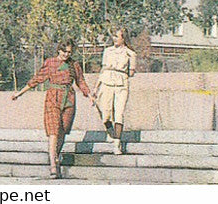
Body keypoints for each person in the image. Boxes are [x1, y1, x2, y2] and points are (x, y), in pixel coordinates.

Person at [12, 39, 95, 178]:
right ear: (59, 50)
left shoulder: (74, 65)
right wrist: (20, 93)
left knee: (62, 131)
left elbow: (80, 81)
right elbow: (37, 79)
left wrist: (90, 95)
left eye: (69, 52)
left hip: (68, 99)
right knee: (53, 130)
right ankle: (53, 165)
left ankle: (55, 155)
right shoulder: (50, 63)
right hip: (53, 98)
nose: (66, 54)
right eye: (64, 51)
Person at [92, 27, 137, 154]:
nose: (114, 39)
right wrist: (96, 87)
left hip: (121, 83)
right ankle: (110, 131)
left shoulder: (130, 53)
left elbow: (131, 72)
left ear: (123, 38)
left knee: (119, 113)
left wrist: (129, 64)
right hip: (107, 81)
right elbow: (103, 69)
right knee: (105, 112)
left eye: (117, 36)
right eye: (114, 36)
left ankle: (117, 143)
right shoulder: (108, 51)